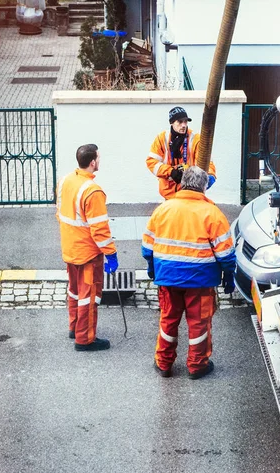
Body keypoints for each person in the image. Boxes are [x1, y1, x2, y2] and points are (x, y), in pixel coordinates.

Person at [142, 166, 236, 379]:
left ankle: (164, 363)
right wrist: (228, 275)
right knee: (199, 324)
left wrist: (151, 266)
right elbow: (226, 254)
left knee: (168, 320)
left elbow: (147, 246)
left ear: (182, 183)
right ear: (203, 187)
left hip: (167, 278)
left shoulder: (163, 209)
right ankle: (197, 366)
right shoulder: (212, 213)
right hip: (200, 281)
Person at [56, 143, 119, 352]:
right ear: (92, 162)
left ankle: (74, 327)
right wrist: (111, 254)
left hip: (70, 248)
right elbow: (99, 229)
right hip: (88, 254)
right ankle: (85, 339)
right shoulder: (93, 191)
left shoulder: (65, 181)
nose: (99, 161)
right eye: (99, 158)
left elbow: (60, 213)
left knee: (74, 292)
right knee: (89, 296)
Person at [146, 106, 217, 200]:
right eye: (179, 122)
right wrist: (171, 172)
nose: (183, 125)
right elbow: (151, 162)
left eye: (185, 121)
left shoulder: (195, 139)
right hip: (168, 193)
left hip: (190, 193)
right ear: (171, 123)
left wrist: (210, 175)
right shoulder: (162, 138)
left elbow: (207, 162)